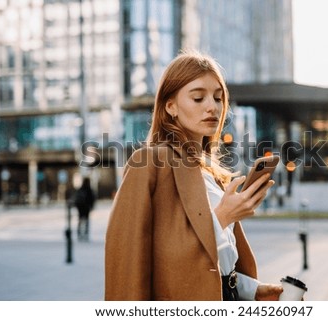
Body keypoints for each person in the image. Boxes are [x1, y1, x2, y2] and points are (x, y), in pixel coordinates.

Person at [105, 50, 283, 301]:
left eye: (219, 98)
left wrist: (251, 290)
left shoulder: (211, 172)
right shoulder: (149, 163)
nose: (212, 107)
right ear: (170, 106)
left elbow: (216, 265)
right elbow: (135, 263)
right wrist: (222, 217)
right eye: (198, 98)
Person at [74, 177, 95, 241]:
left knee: (80, 221)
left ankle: (79, 234)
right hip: (86, 208)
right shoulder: (89, 190)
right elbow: (92, 199)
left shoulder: (80, 189)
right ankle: (86, 234)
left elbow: (76, 199)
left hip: (80, 208)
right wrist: (91, 206)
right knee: (86, 221)